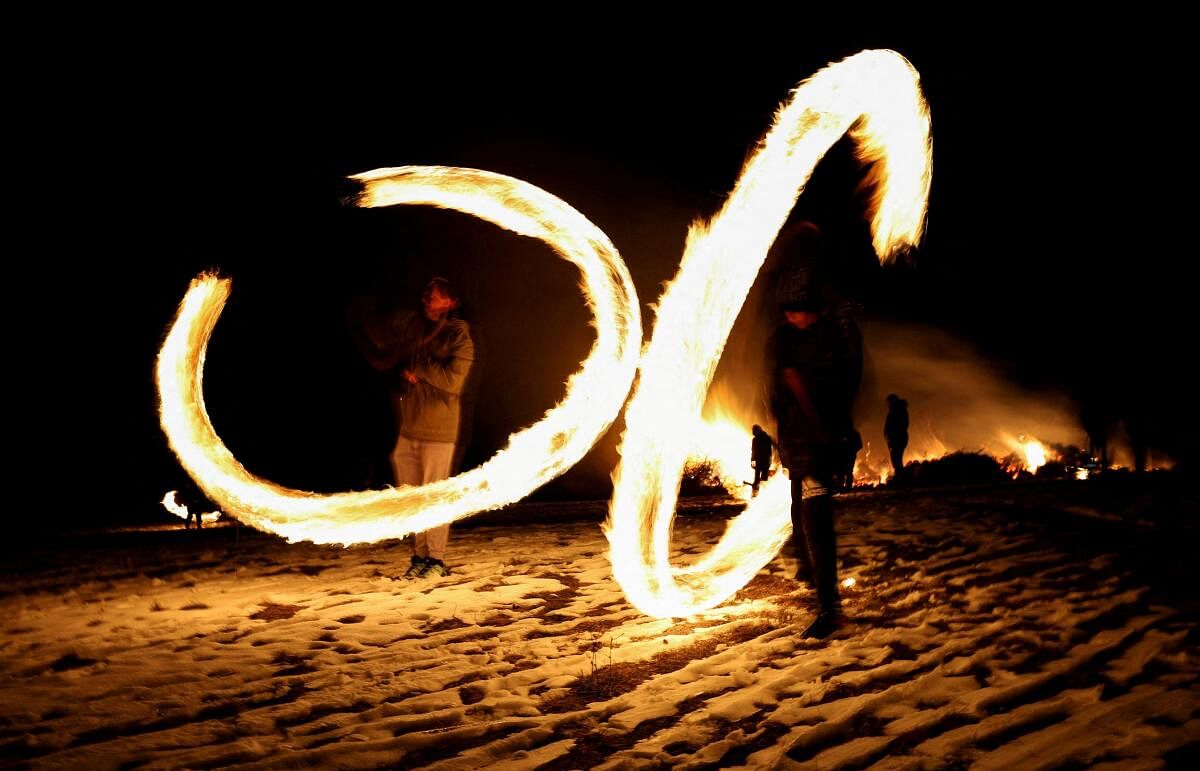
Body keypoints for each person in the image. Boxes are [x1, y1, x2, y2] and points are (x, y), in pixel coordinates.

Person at [768, 232, 862, 640]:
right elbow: (783, 387)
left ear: (816, 309)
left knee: (817, 520)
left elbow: (838, 389)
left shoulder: (832, 340)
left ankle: (829, 609)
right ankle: (811, 573)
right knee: (803, 516)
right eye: (788, 311)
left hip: (817, 447)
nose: (792, 316)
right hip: (799, 447)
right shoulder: (790, 337)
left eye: (798, 311)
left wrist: (827, 434)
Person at [353, 277, 476, 579]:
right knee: (412, 499)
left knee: (434, 499)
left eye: (435, 294)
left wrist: (420, 370)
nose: (427, 296)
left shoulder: (459, 338)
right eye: (427, 292)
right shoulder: (417, 329)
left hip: (438, 431)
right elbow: (392, 354)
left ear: (451, 302)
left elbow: (453, 382)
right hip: (409, 430)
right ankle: (419, 557)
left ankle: (436, 560)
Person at [884, 393, 909, 480]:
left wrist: (892, 435)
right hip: (896, 438)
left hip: (897, 438)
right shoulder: (898, 410)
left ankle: (900, 478)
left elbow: (901, 425)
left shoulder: (897, 411)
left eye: (888, 402)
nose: (887, 404)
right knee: (896, 459)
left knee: (896, 459)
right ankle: (900, 477)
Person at [750, 424, 776, 496]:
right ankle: (758, 494)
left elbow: (754, 452)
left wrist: (753, 461)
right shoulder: (759, 439)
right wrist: (752, 460)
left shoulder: (764, 438)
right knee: (760, 479)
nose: (753, 432)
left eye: (754, 430)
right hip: (762, 461)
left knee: (761, 479)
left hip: (763, 461)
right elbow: (753, 451)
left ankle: (759, 494)